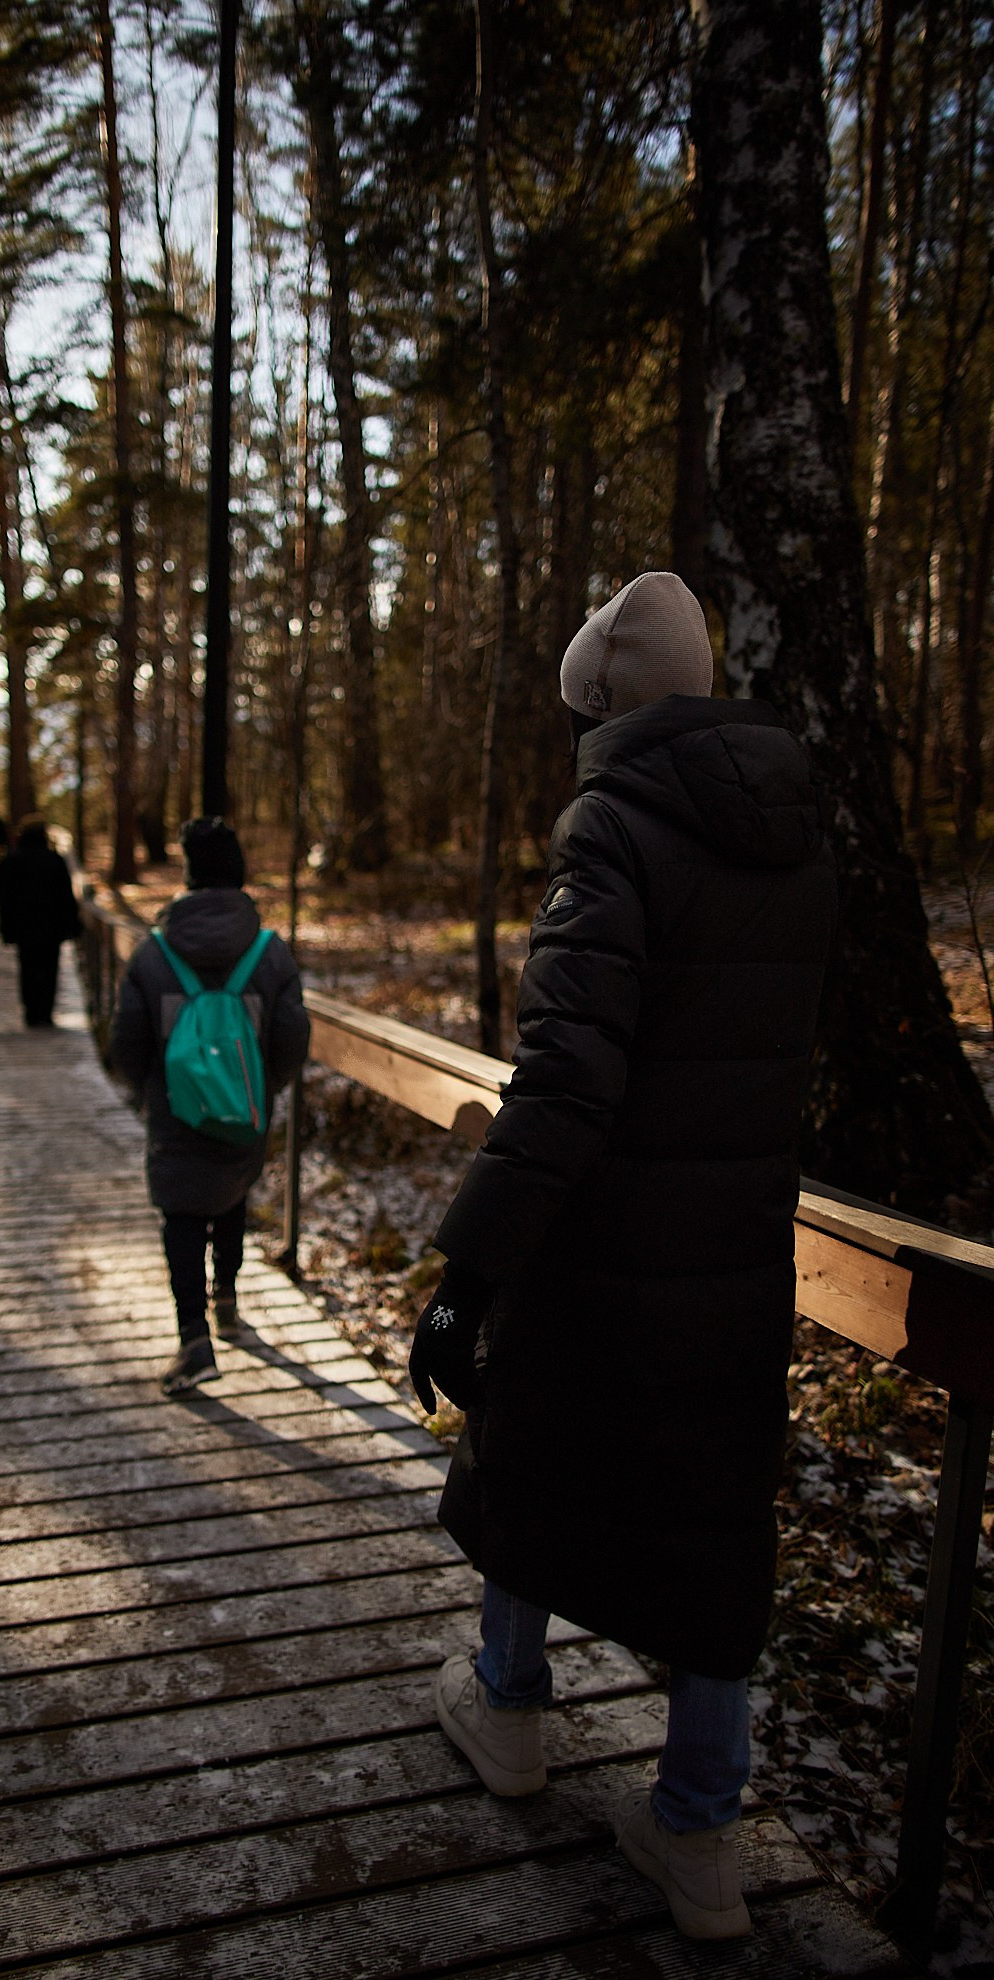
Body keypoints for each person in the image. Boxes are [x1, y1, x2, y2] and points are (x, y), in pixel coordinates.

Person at [409, 572, 836, 1944]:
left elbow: (566, 1084)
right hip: (732, 1253)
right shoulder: (799, 832)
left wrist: (470, 1272)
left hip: (601, 1244)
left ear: (600, 708)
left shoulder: (612, 825)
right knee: (714, 1517)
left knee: (527, 1442)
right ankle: (702, 1834)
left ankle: (511, 1711)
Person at [110, 818, 310, 1396]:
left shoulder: (154, 955)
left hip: (175, 1112)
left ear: (190, 875)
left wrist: (158, 1086)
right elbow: (293, 1039)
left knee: (182, 1213)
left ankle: (194, 1339)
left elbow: (127, 1043)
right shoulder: (270, 954)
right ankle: (227, 1299)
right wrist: (262, 1088)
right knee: (231, 1194)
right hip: (245, 1107)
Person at [0, 814, 82, 1027]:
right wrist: (72, 924)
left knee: (27, 968)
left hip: (23, 927)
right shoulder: (54, 860)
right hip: (52, 927)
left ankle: (31, 1013)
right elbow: (66, 896)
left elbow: (0, 896)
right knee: (49, 969)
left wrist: (6, 927)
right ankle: (45, 1013)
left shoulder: (11, 860)